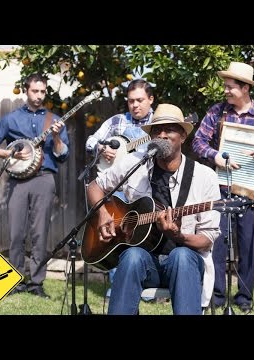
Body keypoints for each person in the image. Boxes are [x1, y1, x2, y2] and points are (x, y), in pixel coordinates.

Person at [86, 103, 221, 315]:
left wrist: (178, 236)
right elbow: (95, 186)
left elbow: (207, 238)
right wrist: (102, 213)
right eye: (157, 130)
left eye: (170, 129)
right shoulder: (135, 163)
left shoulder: (204, 177)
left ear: (183, 136)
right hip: (147, 263)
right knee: (132, 256)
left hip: (186, 266)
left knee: (181, 256)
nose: (162, 134)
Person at [192, 62, 254, 313]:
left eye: (230, 87)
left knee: (250, 244)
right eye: (225, 86)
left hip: (252, 187)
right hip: (219, 187)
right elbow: (198, 142)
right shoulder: (217, 112)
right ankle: (218, 295)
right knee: (217, 241)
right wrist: (215, 156)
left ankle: (244, 297)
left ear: (245, 88)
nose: (226, 91)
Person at [0, 73, 70, 299]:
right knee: (16, 233)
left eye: (42, 91)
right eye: (35, 91)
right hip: (17, 181)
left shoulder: (54, 119)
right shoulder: (10, 119)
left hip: (44, 178)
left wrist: (58, 138)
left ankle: (36, 283)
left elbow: (63, 155)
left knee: (40, 232)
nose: (39, 95)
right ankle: (15, 280)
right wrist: (9, 153)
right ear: (26, 90)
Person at [85, 79, 154, 299]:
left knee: (141, 234)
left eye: (140, 100)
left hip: (144, 189)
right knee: (114, 234)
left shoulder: (156, 125)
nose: (135, 105)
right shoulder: (116, 121)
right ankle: (117, 286)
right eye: (131, 101)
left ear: (150, 100)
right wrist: (102, 148)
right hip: (114, 186)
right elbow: (90, 141)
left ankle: (145, 284)